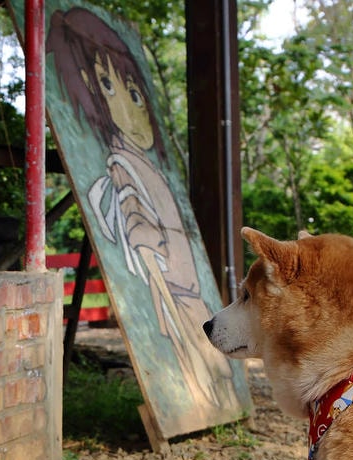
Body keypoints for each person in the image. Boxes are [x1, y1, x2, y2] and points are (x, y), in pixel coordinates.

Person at [48, 7, 233, 409]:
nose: (131, 110)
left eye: (134, 93)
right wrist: (145, 233)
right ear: (89, 90)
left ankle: (208, 407)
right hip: (176, 303)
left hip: (189, 299)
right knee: (203, 379)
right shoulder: (121, 168)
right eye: (108, 88)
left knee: (214, 381)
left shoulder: (144, 166)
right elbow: (141, 236)